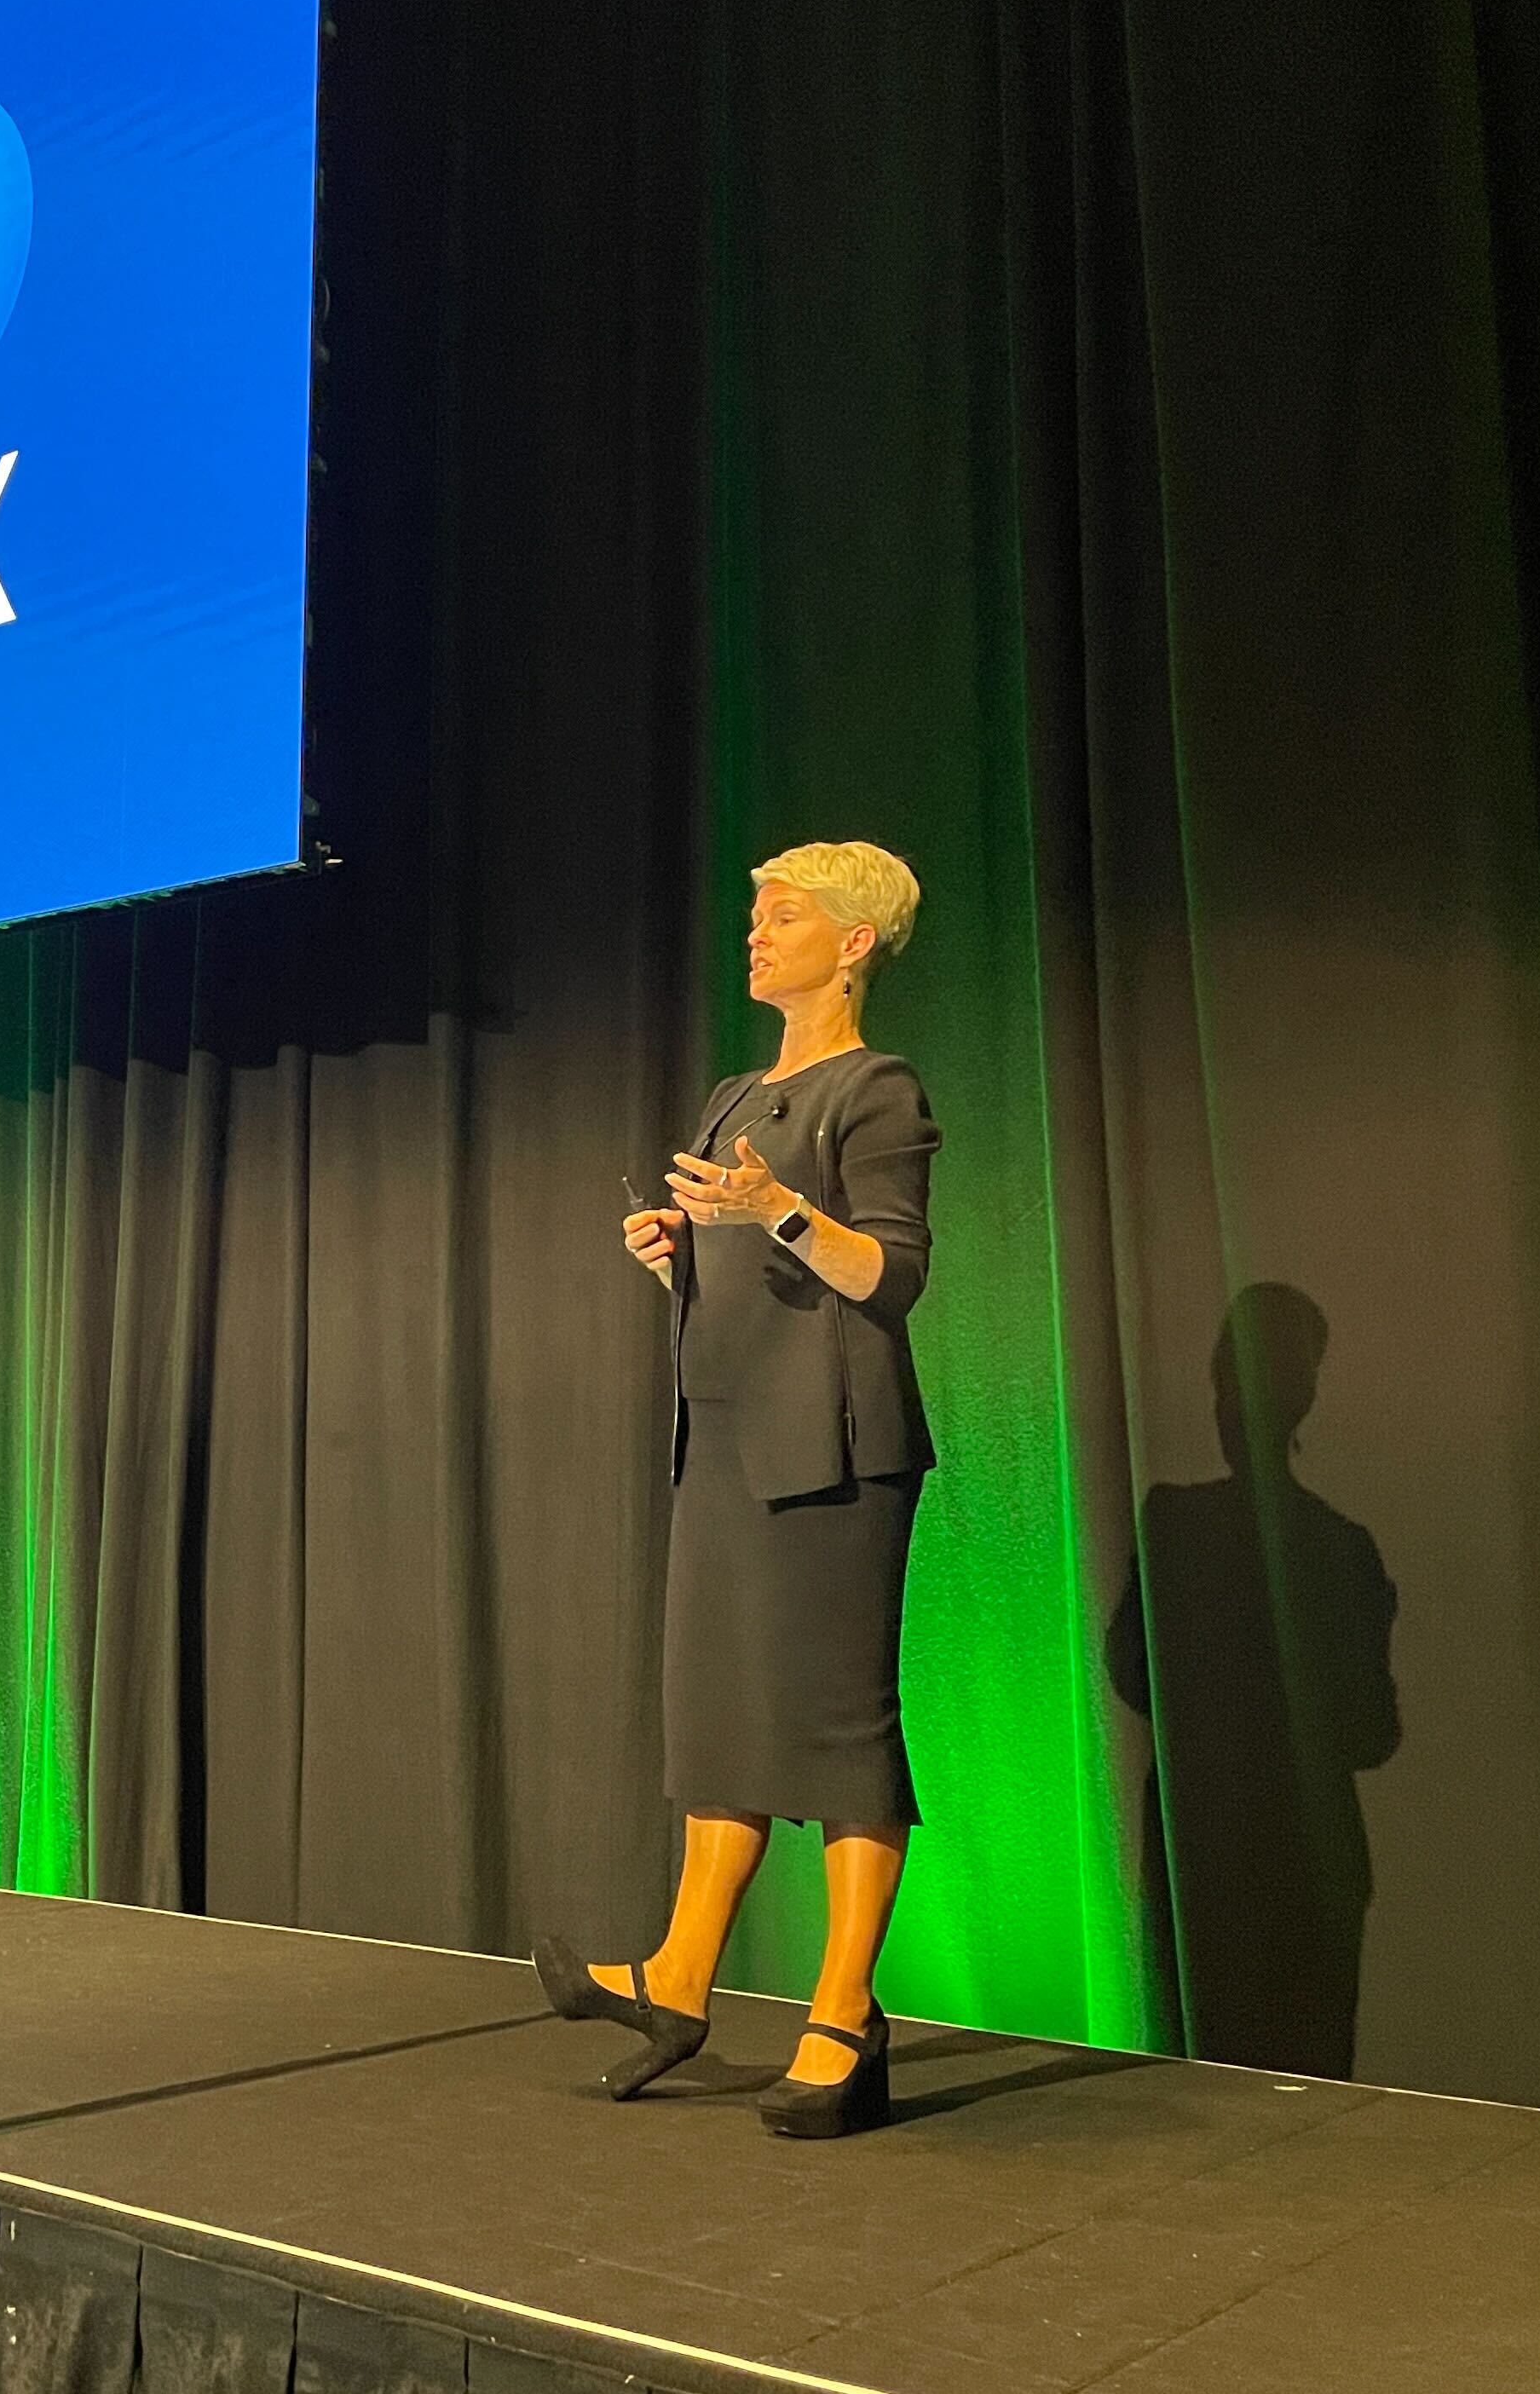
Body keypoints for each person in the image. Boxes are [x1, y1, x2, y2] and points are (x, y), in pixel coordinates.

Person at [536, 839, 941, 2139]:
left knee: (834, 1730)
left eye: (783, 917)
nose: (755, 935)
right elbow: (754, 1290)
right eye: (752, 913)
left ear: (856, 941)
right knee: (715, 1714)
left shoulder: (873, 1091)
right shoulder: (729, 1094)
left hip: (830, 1448)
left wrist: (772, 1209)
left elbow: (888, 1277)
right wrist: (675, 1263)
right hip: (722, 1438)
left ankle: (843, 2012)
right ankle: (680, 1974)